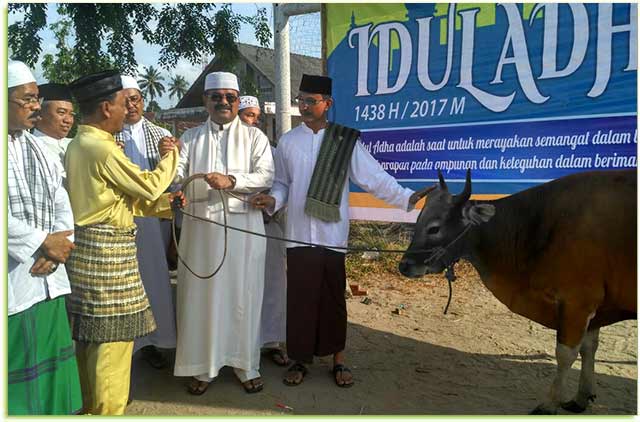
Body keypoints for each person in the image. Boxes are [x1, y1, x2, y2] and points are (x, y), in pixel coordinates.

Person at [251, 74, 424, 388]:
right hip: (299, 234)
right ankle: (300, 360)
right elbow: (282, 184)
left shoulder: (345, 141)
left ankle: (339, 361)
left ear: (327, 104)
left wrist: (405, 197)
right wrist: (272, 200)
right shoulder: (288, 142)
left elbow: (374, 178)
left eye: (311, 101)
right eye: (301, 100)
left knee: (333, 299)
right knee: (300, 300)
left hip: (332, 235)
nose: (304, 106)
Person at [64, 70, 184, 415]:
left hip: (92, 253)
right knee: (112, 349)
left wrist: (166, 206)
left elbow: (119, 198)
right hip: (108, 258)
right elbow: (147, 186)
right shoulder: (101, 148)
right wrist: (171, 156)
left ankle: (91, 408)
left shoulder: (78, 143)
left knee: (93, 342)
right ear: (105, 108)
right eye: (121, 104)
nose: (126, 110)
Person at [173, 72, 274, 395]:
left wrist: (231, 181)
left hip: (244, 228)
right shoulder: (190, 139)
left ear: (237, 99)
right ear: (206, 101)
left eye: (230, 97)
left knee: (244, 295)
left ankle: (246, 364)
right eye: (217, 96)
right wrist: (177, 186)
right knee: (201, 298)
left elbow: (265, 175)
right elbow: (177, 176)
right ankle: (203, 367)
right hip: (201, 228)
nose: (224, 102)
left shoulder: (254, 137)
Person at [7, 60, 82, 415]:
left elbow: (61, 202)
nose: (36, 106)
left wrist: (57, 249)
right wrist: (41, 241)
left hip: (48, 277)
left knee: (53, 377)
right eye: (27, 99)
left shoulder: (39, 148)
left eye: (37, 98)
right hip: (13, 281)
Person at [114, 75, 177, 370]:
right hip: (117, 220)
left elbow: (174, 179)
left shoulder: (160, 134)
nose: (130, 106)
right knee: (121, 284)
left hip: (151, 223)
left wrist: (169, 155)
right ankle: (126, 346)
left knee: (153, 279)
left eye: (135, 99)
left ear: (143, 100)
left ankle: (155, 342)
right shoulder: (106, 136)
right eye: (124, 100)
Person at [239, 96, 289, 367]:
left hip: (267, 226)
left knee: (272, 286)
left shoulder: (272, 150)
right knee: (240, 289)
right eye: (248, 115)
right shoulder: (222, 148)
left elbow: (283, 185)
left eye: (256, 116)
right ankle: (239, 344)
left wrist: (270, 203)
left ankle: (271, 341)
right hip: (234, 229)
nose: (253, 121)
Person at [32, 82, 75, 177]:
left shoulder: (75, 144)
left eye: (71, 114)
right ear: (39, 114)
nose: (68, 120)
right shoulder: (32, 149)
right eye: (61, 112)